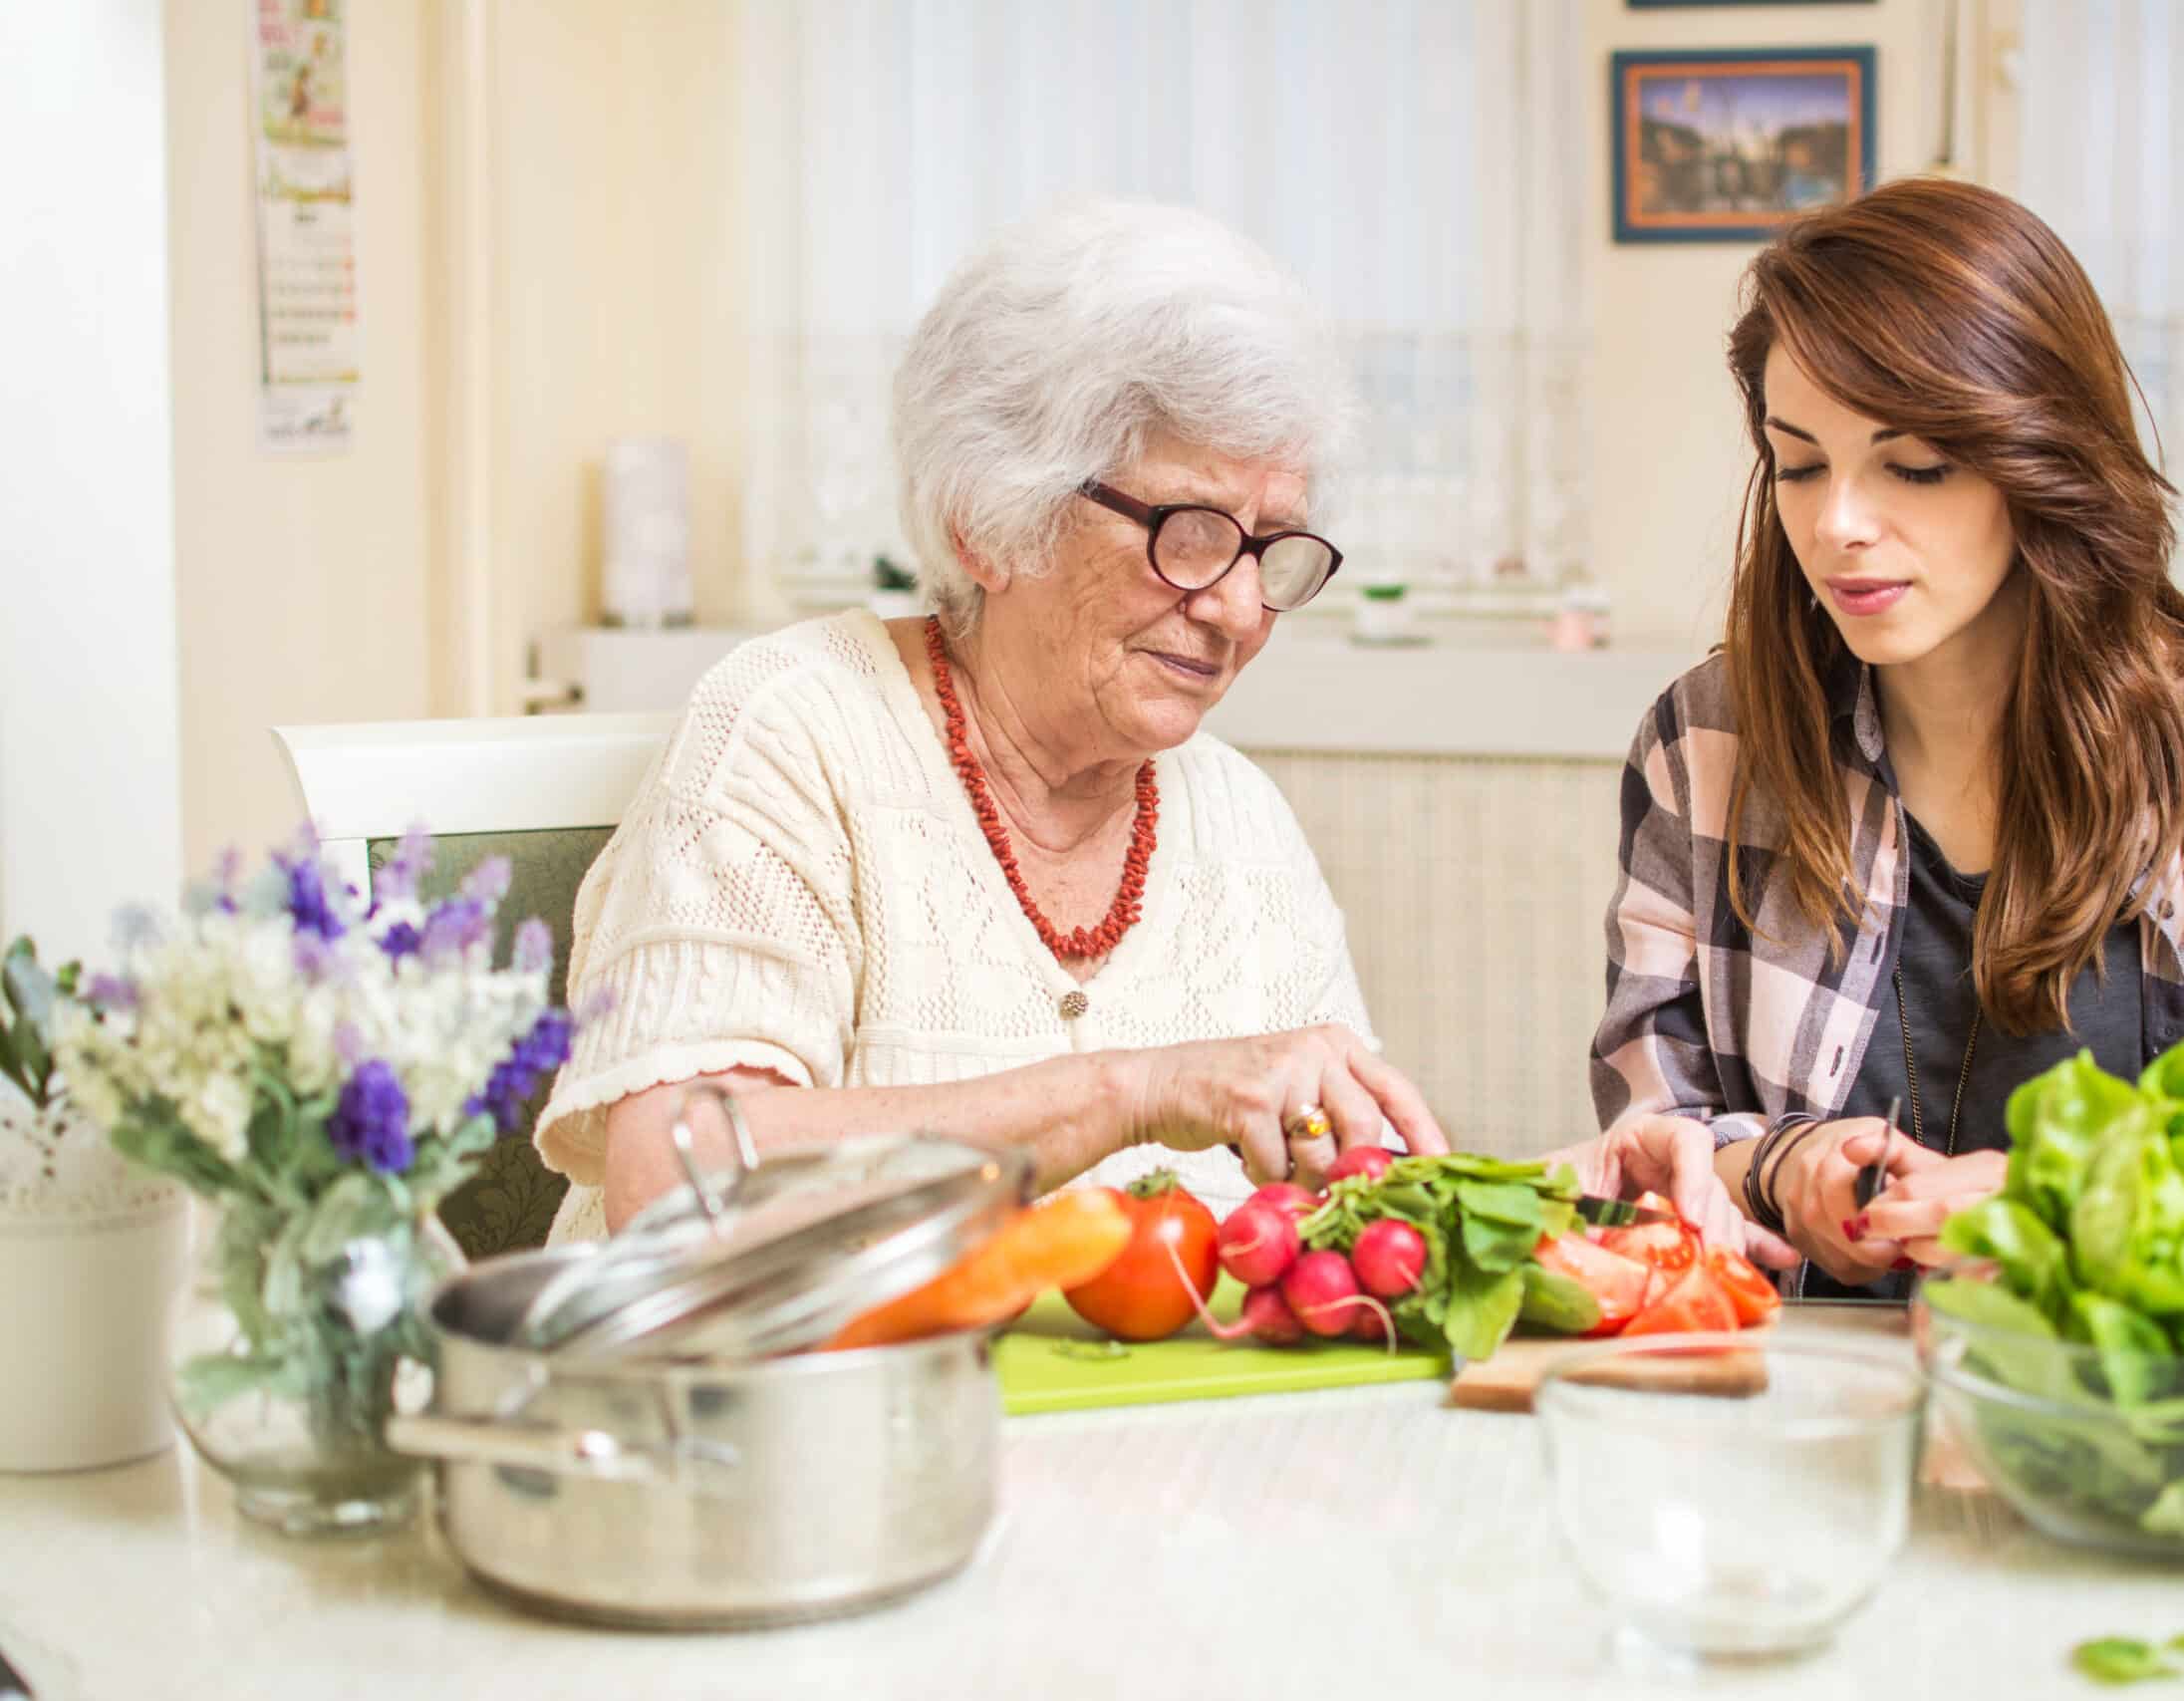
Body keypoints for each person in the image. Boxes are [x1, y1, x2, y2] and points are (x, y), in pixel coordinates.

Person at [534, 197, 1764, 1255]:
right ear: (988, 519)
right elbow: (668, 1178)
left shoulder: (1235, 825)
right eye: (1186, 531)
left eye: (1272, 546)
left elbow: (1345, 1209)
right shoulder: (799, 728)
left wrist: (1565, 1200)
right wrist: (1133, 1091)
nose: (1236, 607)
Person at [1590, 177, 2184, 1296]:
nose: (1837, 525)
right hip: (1791, 1407)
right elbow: (1649, 1135)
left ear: (2042, 458)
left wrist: (2068, 1209)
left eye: (1916, 466)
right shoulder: (1706, 743)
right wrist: (1784, 1167)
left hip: (2128, 1428)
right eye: (1801, 463)